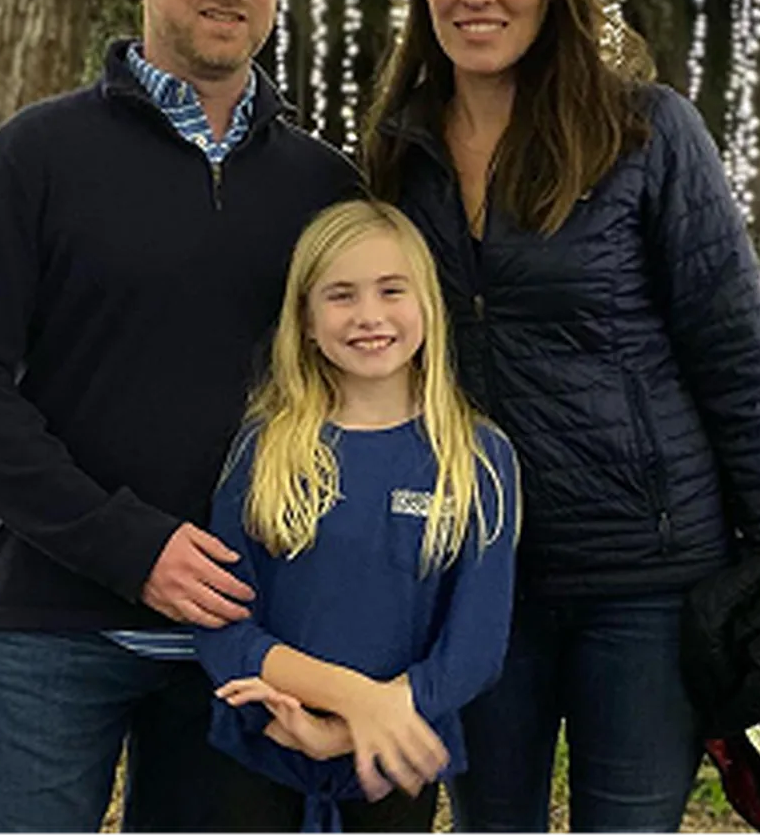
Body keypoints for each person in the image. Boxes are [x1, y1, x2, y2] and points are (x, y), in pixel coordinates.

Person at [0, 0, 361, 836]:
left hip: (246, 642)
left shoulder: (326, 189)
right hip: (57, 625)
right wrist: (128, 544)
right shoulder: (34, 157)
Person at [361, 0, 760, 837]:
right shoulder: (397, 155)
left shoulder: (646, 135)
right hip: (475, 580)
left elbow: (737, 358)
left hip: (645, 583)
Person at [194, 199, 518, 837]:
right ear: (307, 321)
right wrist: (351, 704)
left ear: (428, 304)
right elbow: (222, 626)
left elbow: (475, 648)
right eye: (341, 295)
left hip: (396, 757)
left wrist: (360, 726)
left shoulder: (476, 458)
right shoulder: (265, 449)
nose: (369, 316)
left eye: (392, 291)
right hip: (262, 747)